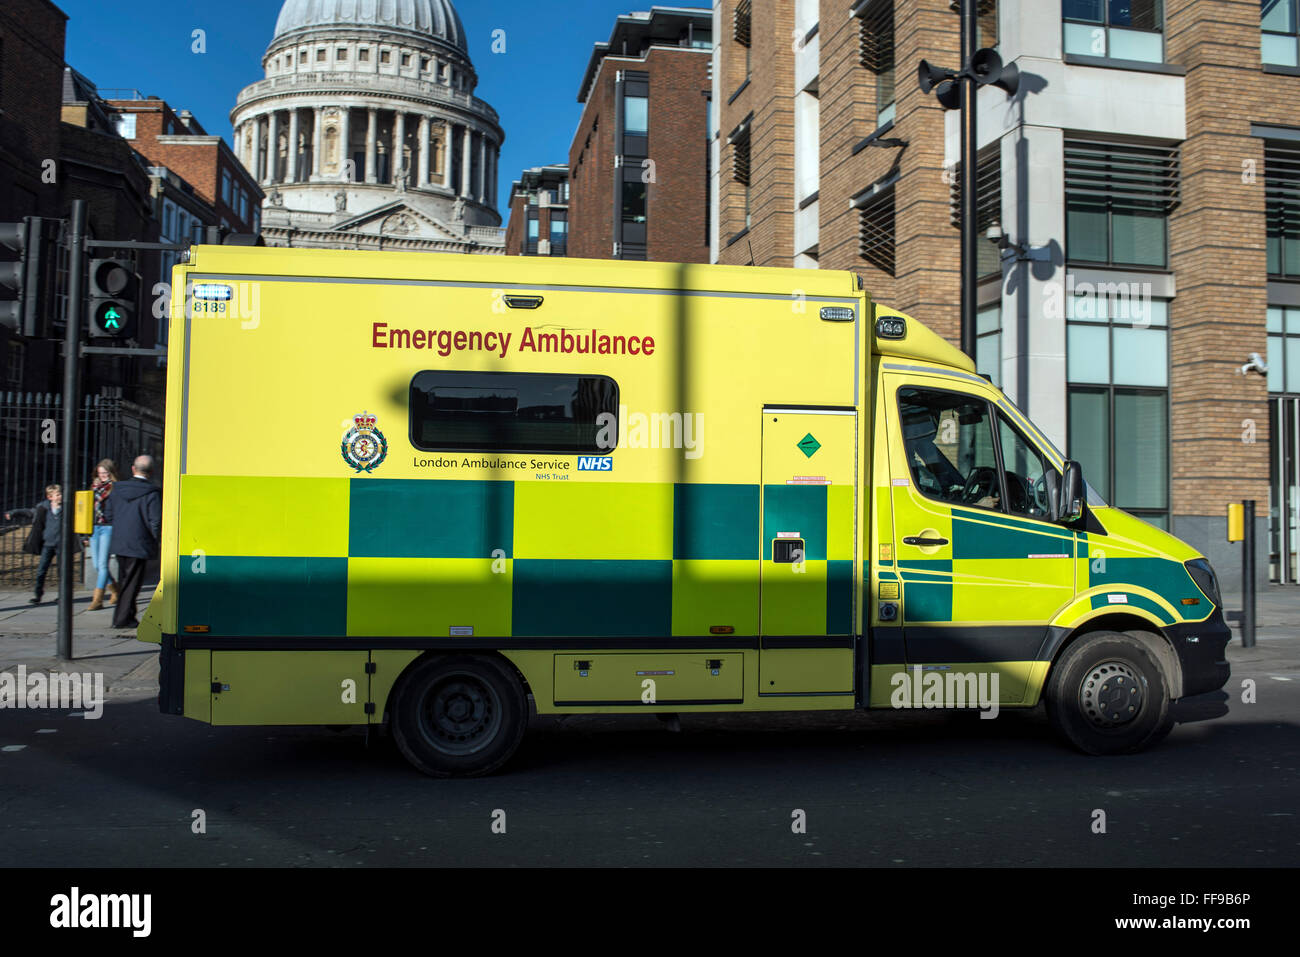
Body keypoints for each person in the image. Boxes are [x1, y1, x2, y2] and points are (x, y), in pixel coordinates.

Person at [106, 455, 162, 630]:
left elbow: (108, 514)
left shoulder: (117, 489)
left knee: (125, 580)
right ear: (151, 472)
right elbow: (155, 520)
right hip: (140, 542)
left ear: (133, 469)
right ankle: (121, 618)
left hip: (120, 541)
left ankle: (127, 615)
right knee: (132, 583)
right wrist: (156, 540)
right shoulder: (152, 493)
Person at [23, 484, 80, 605]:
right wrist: (13, 513)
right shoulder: (43, 508)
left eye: (60, 494)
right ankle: (38, 595)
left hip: (61, 544)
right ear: (50, 497)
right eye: (57, 495)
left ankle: (62, 595)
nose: (60, 497)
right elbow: (30, 512)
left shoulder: (67, 507)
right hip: (48, 544)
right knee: (41, 570)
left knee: (62, 571)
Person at [88, 459, 119, 610]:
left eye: (105, 473)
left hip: (107, 527)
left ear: (111, 473)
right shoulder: (94, 488)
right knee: (96, 565)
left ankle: (97, 600)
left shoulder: (115, 488)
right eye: (100, 473)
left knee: (102, 564)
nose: (103, 476)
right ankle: (115, 589)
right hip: (94, 528)